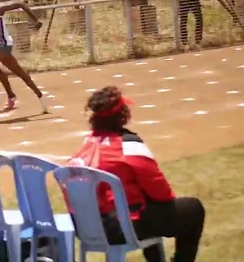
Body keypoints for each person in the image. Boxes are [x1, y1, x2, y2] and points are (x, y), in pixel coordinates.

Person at [69, 86, 205, 262]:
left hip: (87, 228)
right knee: (193, 209)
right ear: (122, 115)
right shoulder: (129, 145)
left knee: (145, 206)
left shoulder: (86, 145)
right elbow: (162, 193)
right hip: (120, 228)